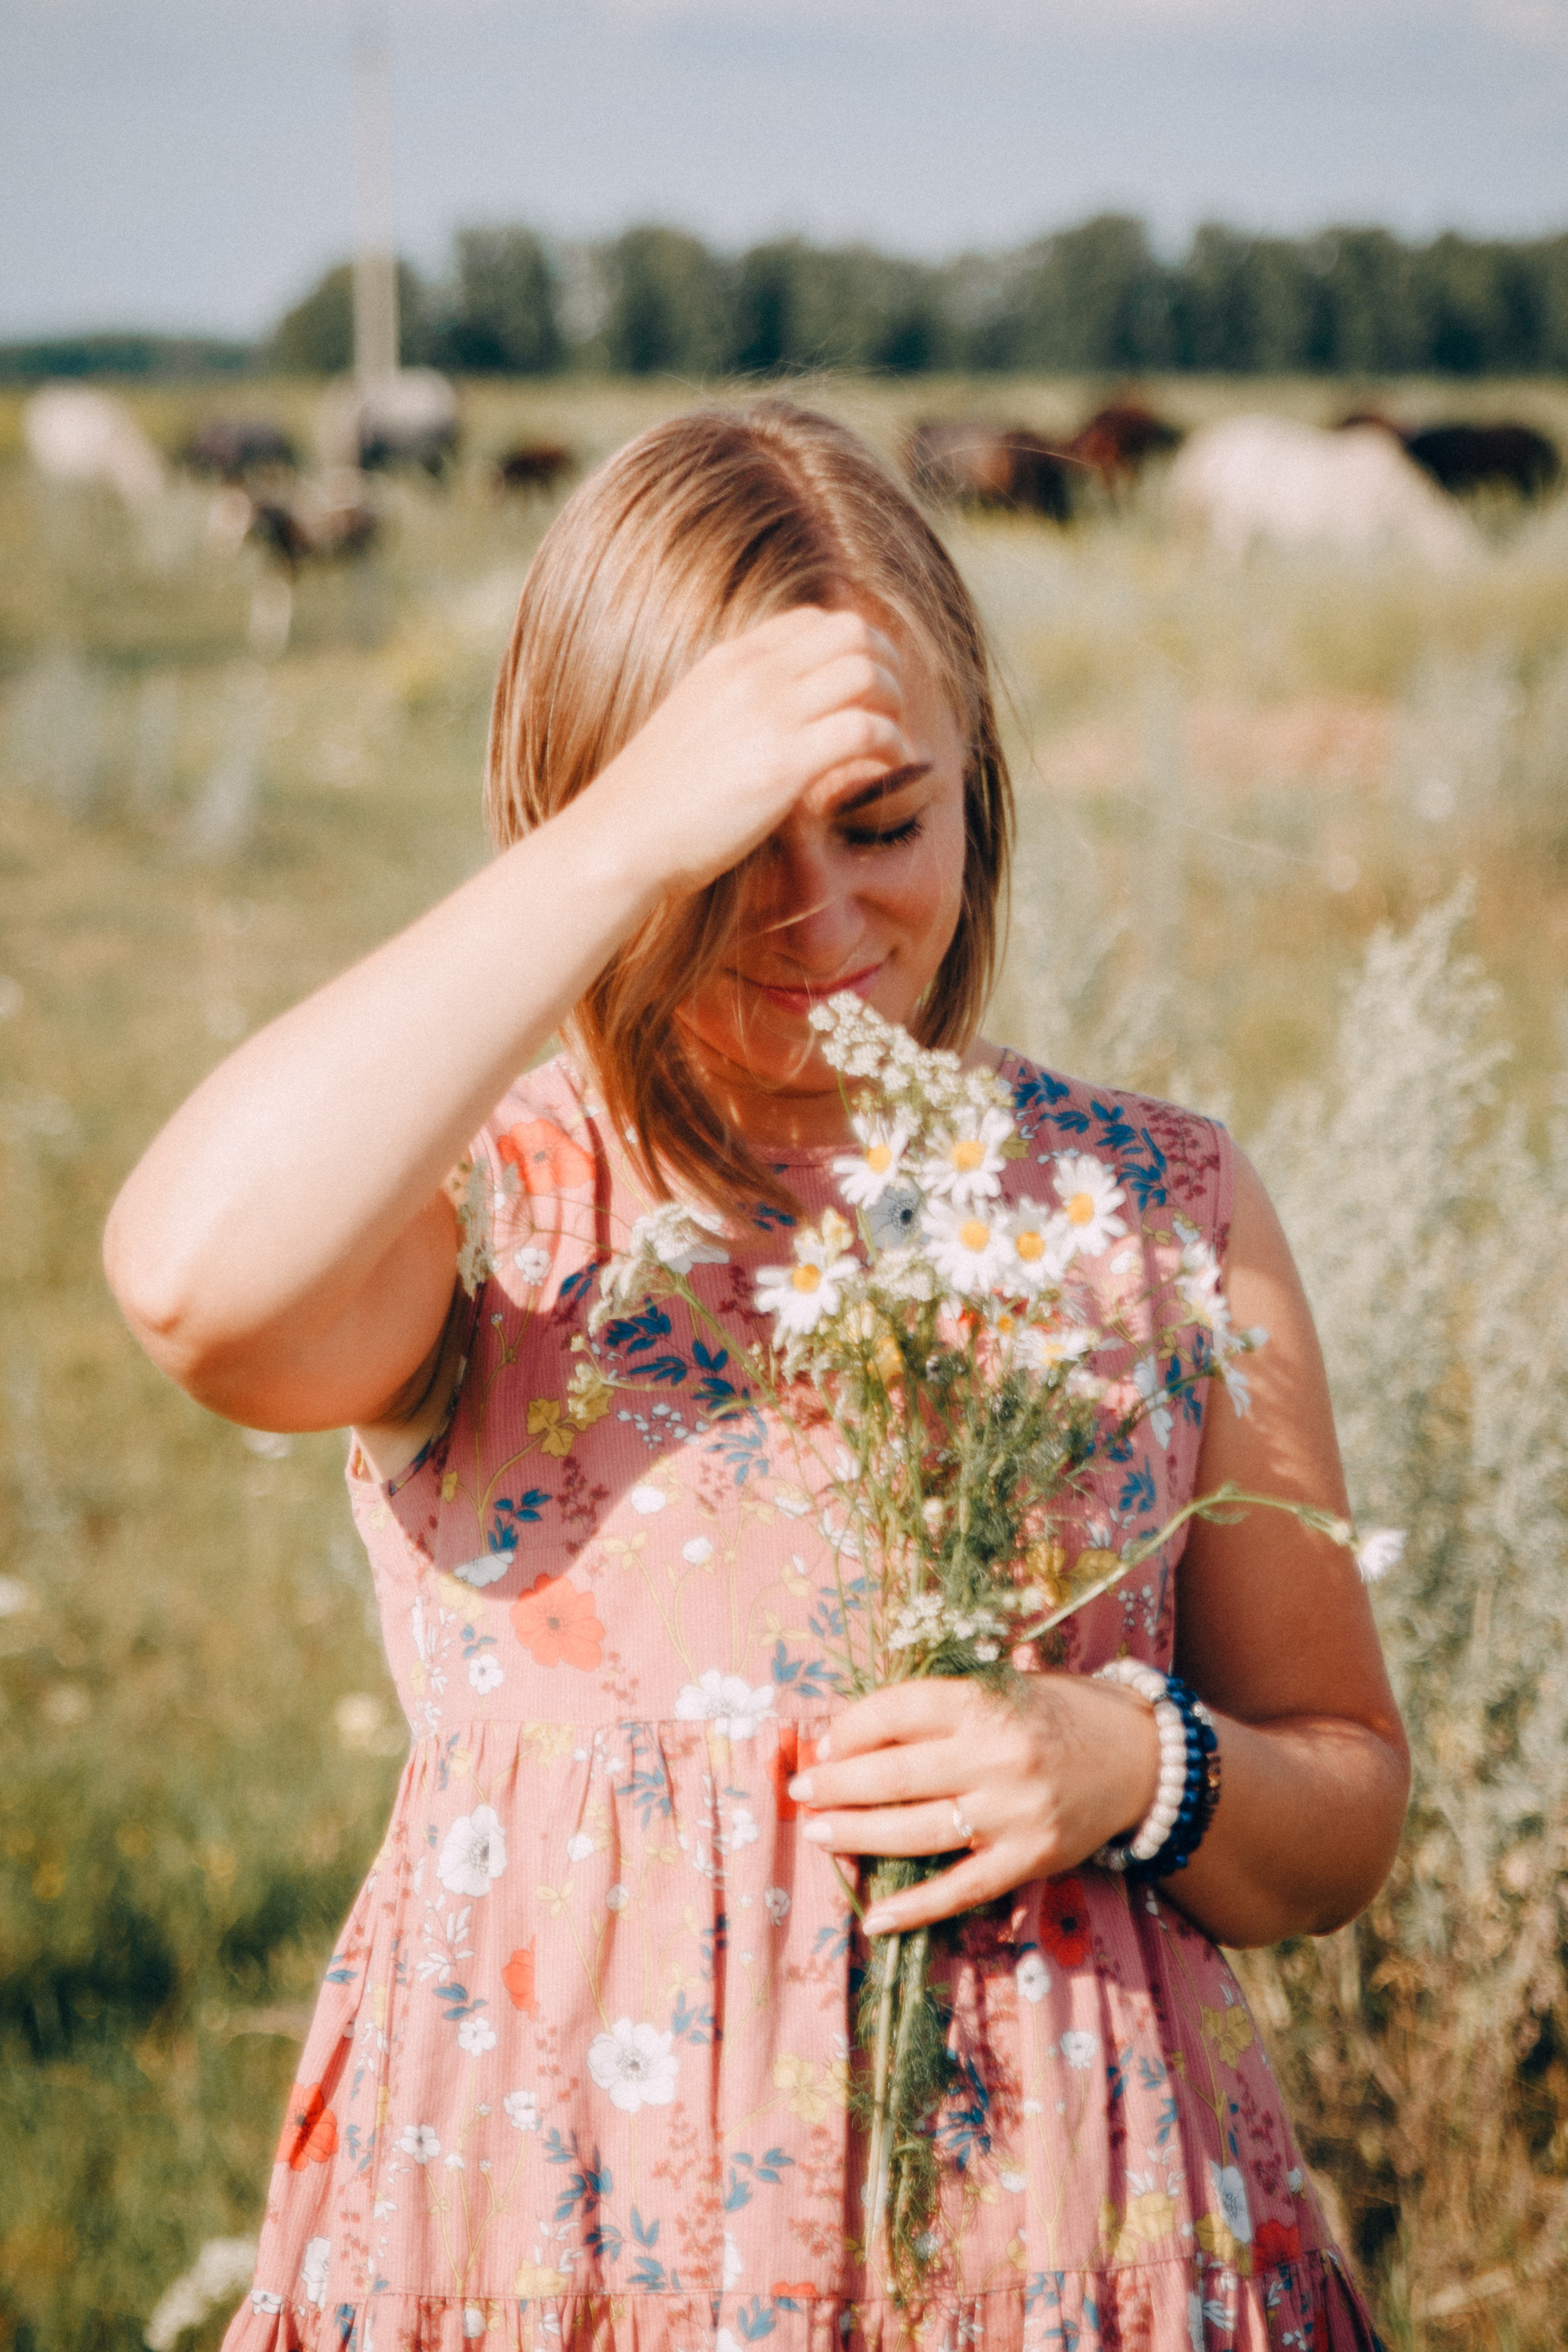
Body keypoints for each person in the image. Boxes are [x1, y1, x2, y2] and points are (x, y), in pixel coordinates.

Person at [105, 402, 1408, 2351]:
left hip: (1062, 2235)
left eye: (885, 826)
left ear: (981, 788)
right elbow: (197, 1283)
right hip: (566, 2230)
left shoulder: (1152, 1209)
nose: (821, 926)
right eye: (733, 856)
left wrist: (1135, 1767)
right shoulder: (498, 1211)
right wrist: (631, 832)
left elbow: (1346, 1796)